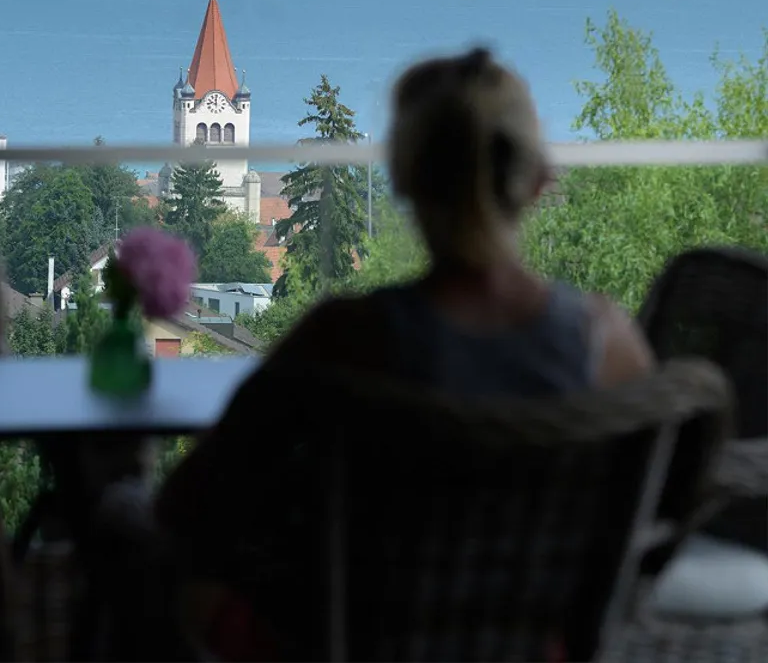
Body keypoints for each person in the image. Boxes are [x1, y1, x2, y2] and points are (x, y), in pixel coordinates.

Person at [155, 46, 655, 659]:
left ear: (401, 177)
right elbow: (654, 507)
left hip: (355, 639)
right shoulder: (608, 344)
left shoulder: (344, 338)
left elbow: (191, 499)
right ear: (540, 181)